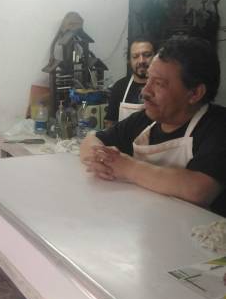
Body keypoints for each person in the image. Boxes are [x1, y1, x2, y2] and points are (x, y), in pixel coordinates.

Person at [81, 37, 226, 217]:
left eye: (159, 83)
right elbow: (91, 140)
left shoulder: (217, 127)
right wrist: (99, 159)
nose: (145, 91)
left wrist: (127, 168)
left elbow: (198, 190)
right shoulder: (144, 120)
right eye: (149, 78)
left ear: (195, 93)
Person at [104, 37, 156, 127]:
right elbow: (110, 123)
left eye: (147, 55)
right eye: (135, 56)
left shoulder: (165, 87)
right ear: (129, 61)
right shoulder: (119, 87)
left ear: (156, 57)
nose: (141, 61)